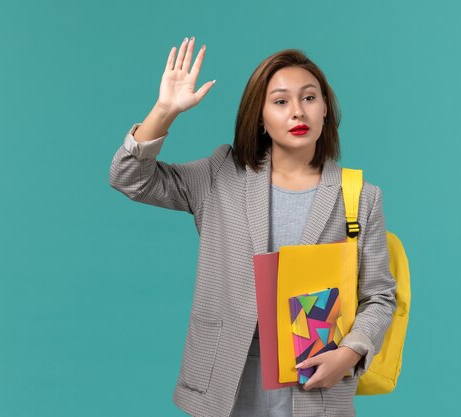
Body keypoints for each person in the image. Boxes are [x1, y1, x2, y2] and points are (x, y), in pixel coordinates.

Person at [109, 36, 397, 417]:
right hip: (229, 379)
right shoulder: (221, 175)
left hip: (315, 384)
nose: (297, 111)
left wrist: (350, 353)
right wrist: (164, 111)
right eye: (280, 101)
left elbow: (379, 296)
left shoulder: (361, 197)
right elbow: (130, 177)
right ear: (259, 116)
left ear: (326, 108)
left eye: (309, 98)